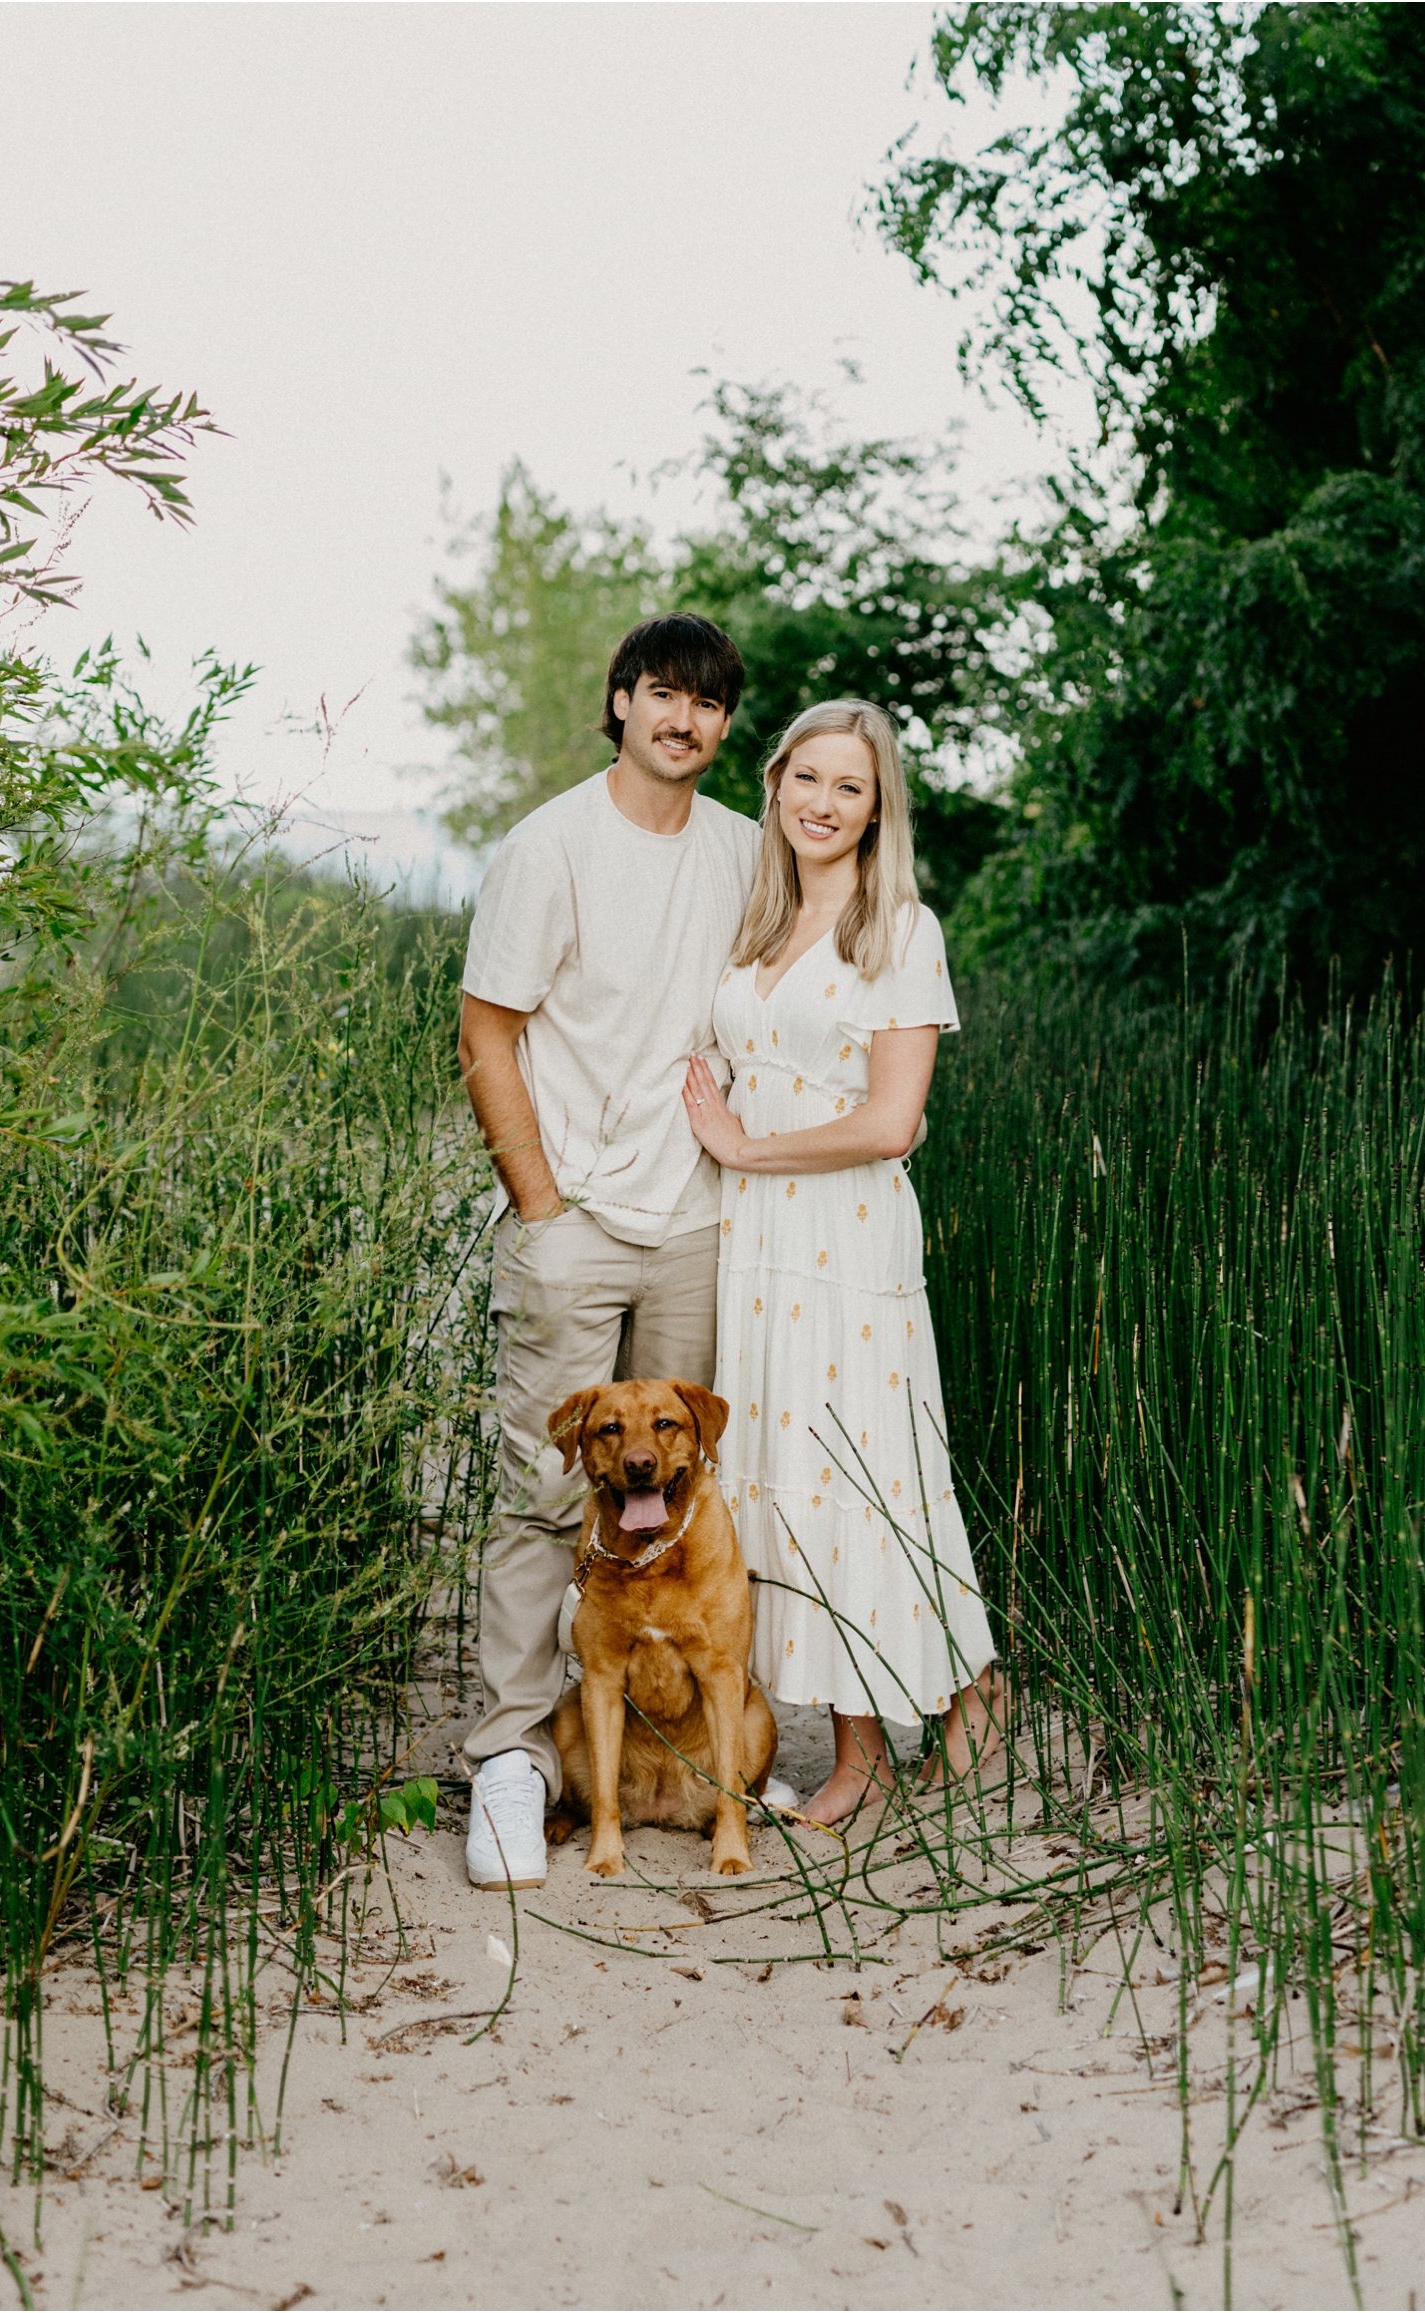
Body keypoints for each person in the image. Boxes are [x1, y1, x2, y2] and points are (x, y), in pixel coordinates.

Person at [456, 614, 758, 1889]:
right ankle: (511, 1768)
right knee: (544, 1502)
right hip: (575, 1222)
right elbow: (487, 1034)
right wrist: (542, 1209)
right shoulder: (551, 845)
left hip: (696, 1222)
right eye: (663, 695)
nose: (685, 720)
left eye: (708, 704)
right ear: (620, 700)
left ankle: (688, 1765)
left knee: (675, 1501)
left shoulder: (746, 852)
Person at [683, 699, 998, 1825]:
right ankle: (971, 1686)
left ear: (877, 809)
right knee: (784, 1477)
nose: (822, 802)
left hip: (845, 1237)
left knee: (858, 1479)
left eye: (848, 787)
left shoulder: (899, 929)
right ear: (773, 784)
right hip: (754, 1245)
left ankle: (865, 1753)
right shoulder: (750, 924)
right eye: (805, 778)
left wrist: (746, 1148)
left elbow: (892, 1123)